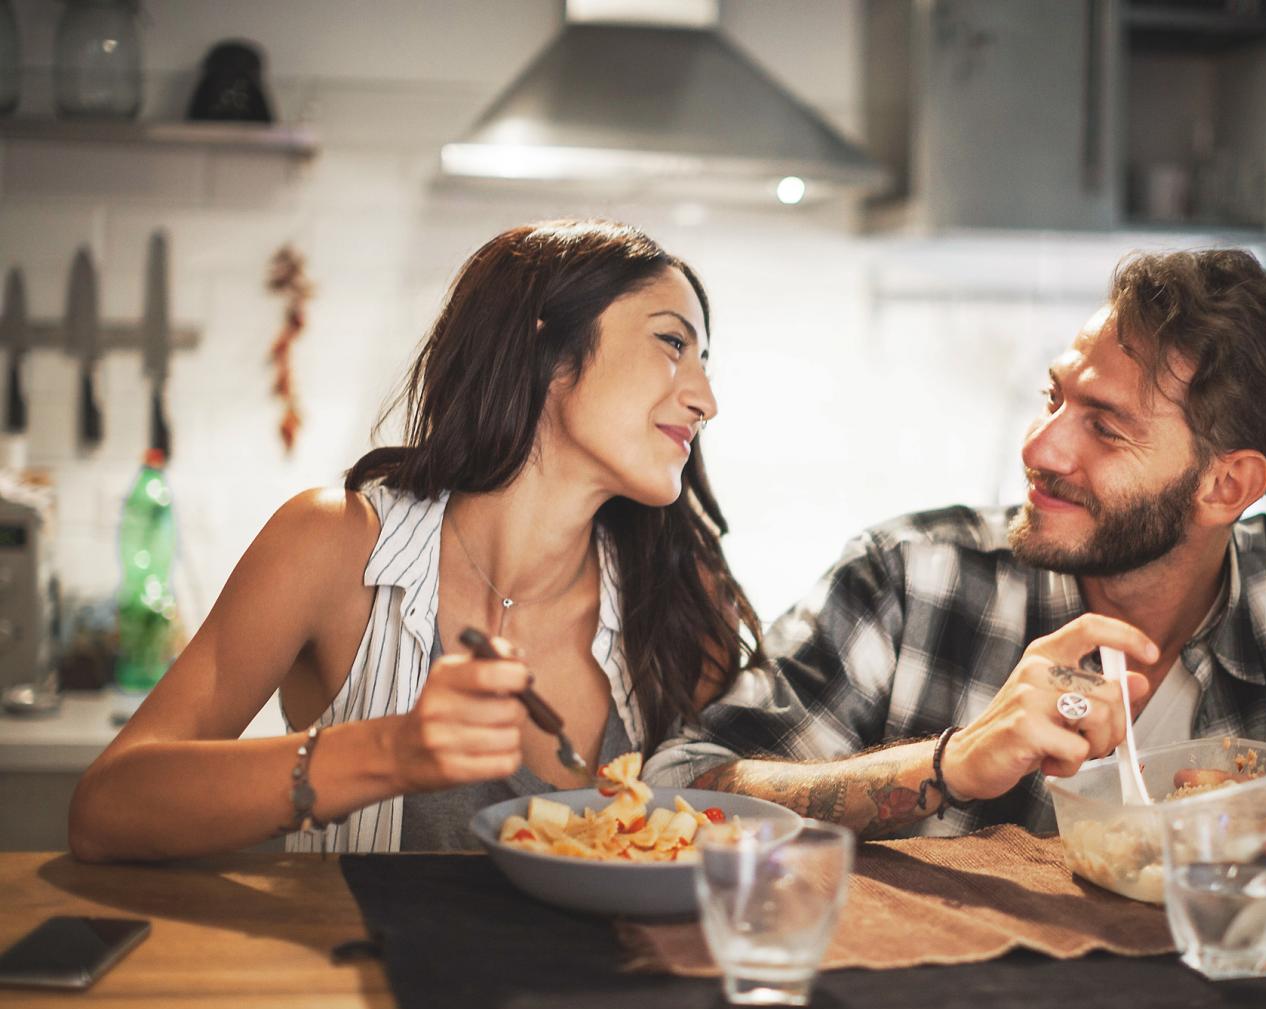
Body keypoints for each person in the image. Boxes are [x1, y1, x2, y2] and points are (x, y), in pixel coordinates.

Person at [644, 248, 1266, 920]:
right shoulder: (912, 580)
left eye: (1106, 427)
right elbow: (677, 787)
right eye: (1057, 396)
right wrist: (942, 765)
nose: (1040, 445)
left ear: (1230, 484)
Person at [70, 219, 760, 859]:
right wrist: (389, 752)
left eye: (705, 359)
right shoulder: (331, 547)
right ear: (544, 344)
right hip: (362, 988)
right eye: (673, 344)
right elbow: (106, 808)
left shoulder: (680, 604)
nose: (707, 398)